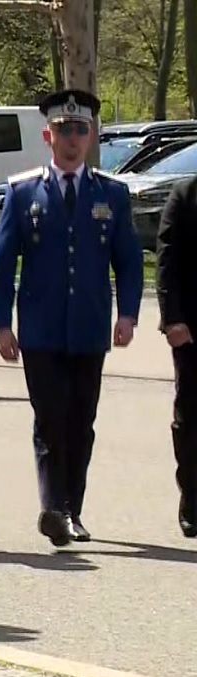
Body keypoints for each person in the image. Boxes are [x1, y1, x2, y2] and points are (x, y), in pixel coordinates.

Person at [0, 89, 142, 547]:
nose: (71, 139)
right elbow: (2, 264)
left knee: (81, 421)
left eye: (80, 130)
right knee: (49, 418)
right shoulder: (22, 192)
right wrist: (1, 324)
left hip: (90, 327)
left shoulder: (111, 194)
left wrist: (128, 314)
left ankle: (73, 507)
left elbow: (129, 261)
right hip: (40, 329)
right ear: (47, 135)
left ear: (91, 135)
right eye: (63, 130)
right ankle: (54, 507)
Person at [154, 176, 197, 537]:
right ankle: (193, 499)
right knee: (191, 419)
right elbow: (167, 260)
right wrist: (172, 319)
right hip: (192, 333)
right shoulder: (185, 195)